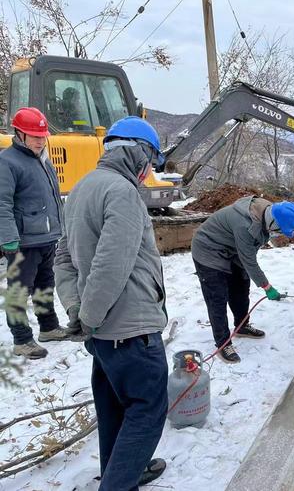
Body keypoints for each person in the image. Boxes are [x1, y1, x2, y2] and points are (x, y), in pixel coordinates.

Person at [54, 116, 169, 489]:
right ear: (139, 154)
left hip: (104, 335)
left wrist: (78, 311)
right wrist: (87, 316)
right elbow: (111, 263)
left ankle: (123, 472)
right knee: (147, 410)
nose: (148, 171)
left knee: (113, 409)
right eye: (150, 161)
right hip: (131, 330)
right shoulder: (122, 192)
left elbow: (64, 260)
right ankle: (119, 481)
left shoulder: (83, 188)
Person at [191, 197, 294, 363]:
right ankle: (223, 343)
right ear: (273, 222)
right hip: (208, 250)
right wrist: (267, 286)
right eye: (280, 230)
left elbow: (248, 255)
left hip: (231, 248)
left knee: (241, 286)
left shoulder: (266, 213)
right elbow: (249, 260)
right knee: (218, 297)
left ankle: (242, 325)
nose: (279, 234)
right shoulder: (246, 225)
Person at [0, 107, 69, 360]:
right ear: (19, 134)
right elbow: (2, 203)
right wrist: (8, 238)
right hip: (23, 242)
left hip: (46, 237)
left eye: (42, 136)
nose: (40, 140)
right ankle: (21, 339)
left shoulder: (42, 160)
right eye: (34, 136)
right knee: (20, 289)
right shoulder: (7, 162)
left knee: (45, 284)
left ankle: (49, 327)